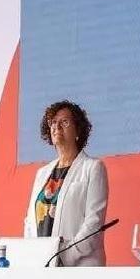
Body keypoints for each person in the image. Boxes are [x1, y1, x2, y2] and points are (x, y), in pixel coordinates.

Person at [24, 101, 109, 266]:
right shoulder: (42, 174)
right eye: (53, 122)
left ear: (78, 130)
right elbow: (30, 222)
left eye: (64, 121)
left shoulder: (93, 168)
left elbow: (94, 223)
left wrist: (63, 257)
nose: (57, 126)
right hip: (42, 267)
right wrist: (33, 256)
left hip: (79, 267)